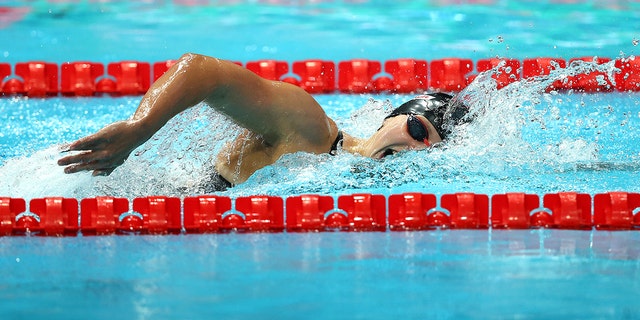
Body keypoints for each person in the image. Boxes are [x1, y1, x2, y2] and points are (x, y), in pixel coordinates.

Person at [58, 53, 468, 191]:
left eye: (427, 150)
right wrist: (138, 130)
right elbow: (202, 70)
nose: (414, 149)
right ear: (389, 120)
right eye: (417, 130)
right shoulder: (311, 127)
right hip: (99, 183)